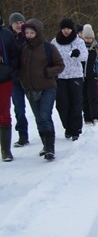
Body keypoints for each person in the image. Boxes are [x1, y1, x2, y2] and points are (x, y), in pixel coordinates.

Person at [17, 19, 64, 160]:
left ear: (38, 33)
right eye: (27, 33)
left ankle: (50, 148)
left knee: (45, 116)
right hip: (30, 89)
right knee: (39, 118)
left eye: (32, 32)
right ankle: (45, 144)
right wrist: (22, 79)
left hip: (48, 87)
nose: (29, 35)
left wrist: (47, 72)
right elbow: (19, 68)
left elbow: (60, 65)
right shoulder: (23, 49)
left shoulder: (48, 47)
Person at [51, 18, 88, 140]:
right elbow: (49, 57)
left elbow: (84, 56)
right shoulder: (55, 42)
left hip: (75, 76)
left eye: (68, 28)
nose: (66, 31)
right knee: (62, 104)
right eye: (64, 28)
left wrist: (77, 54)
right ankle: (67, 126)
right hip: (60, 77)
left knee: (76, 103)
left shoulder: (78, 41)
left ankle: (76, 129)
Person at [1, 16, 21, 162]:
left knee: (3, 113)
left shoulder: (6, 34)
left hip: (3, 79)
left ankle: (5, 150)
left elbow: (15, 55)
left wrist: (9, 69)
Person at [8, 12, 29, 148]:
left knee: (38, 109)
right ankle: (22, 135)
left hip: (29, 77)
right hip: (14, 79)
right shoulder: (6, 37)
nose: (19, 25)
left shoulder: (28, 36)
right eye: (16, 23)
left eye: (21, 22)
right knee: (19, 109)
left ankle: (45, 134)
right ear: (11, 24)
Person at [80, 24, 98, 124]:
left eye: (90, 37)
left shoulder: (96, 48)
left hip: (92, 76)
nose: (88, 39)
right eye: (86, 37)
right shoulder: (80, 48)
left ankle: (95, 116)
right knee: (84, 97)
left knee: (93, 96)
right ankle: (87, 117)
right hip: (81, 76)